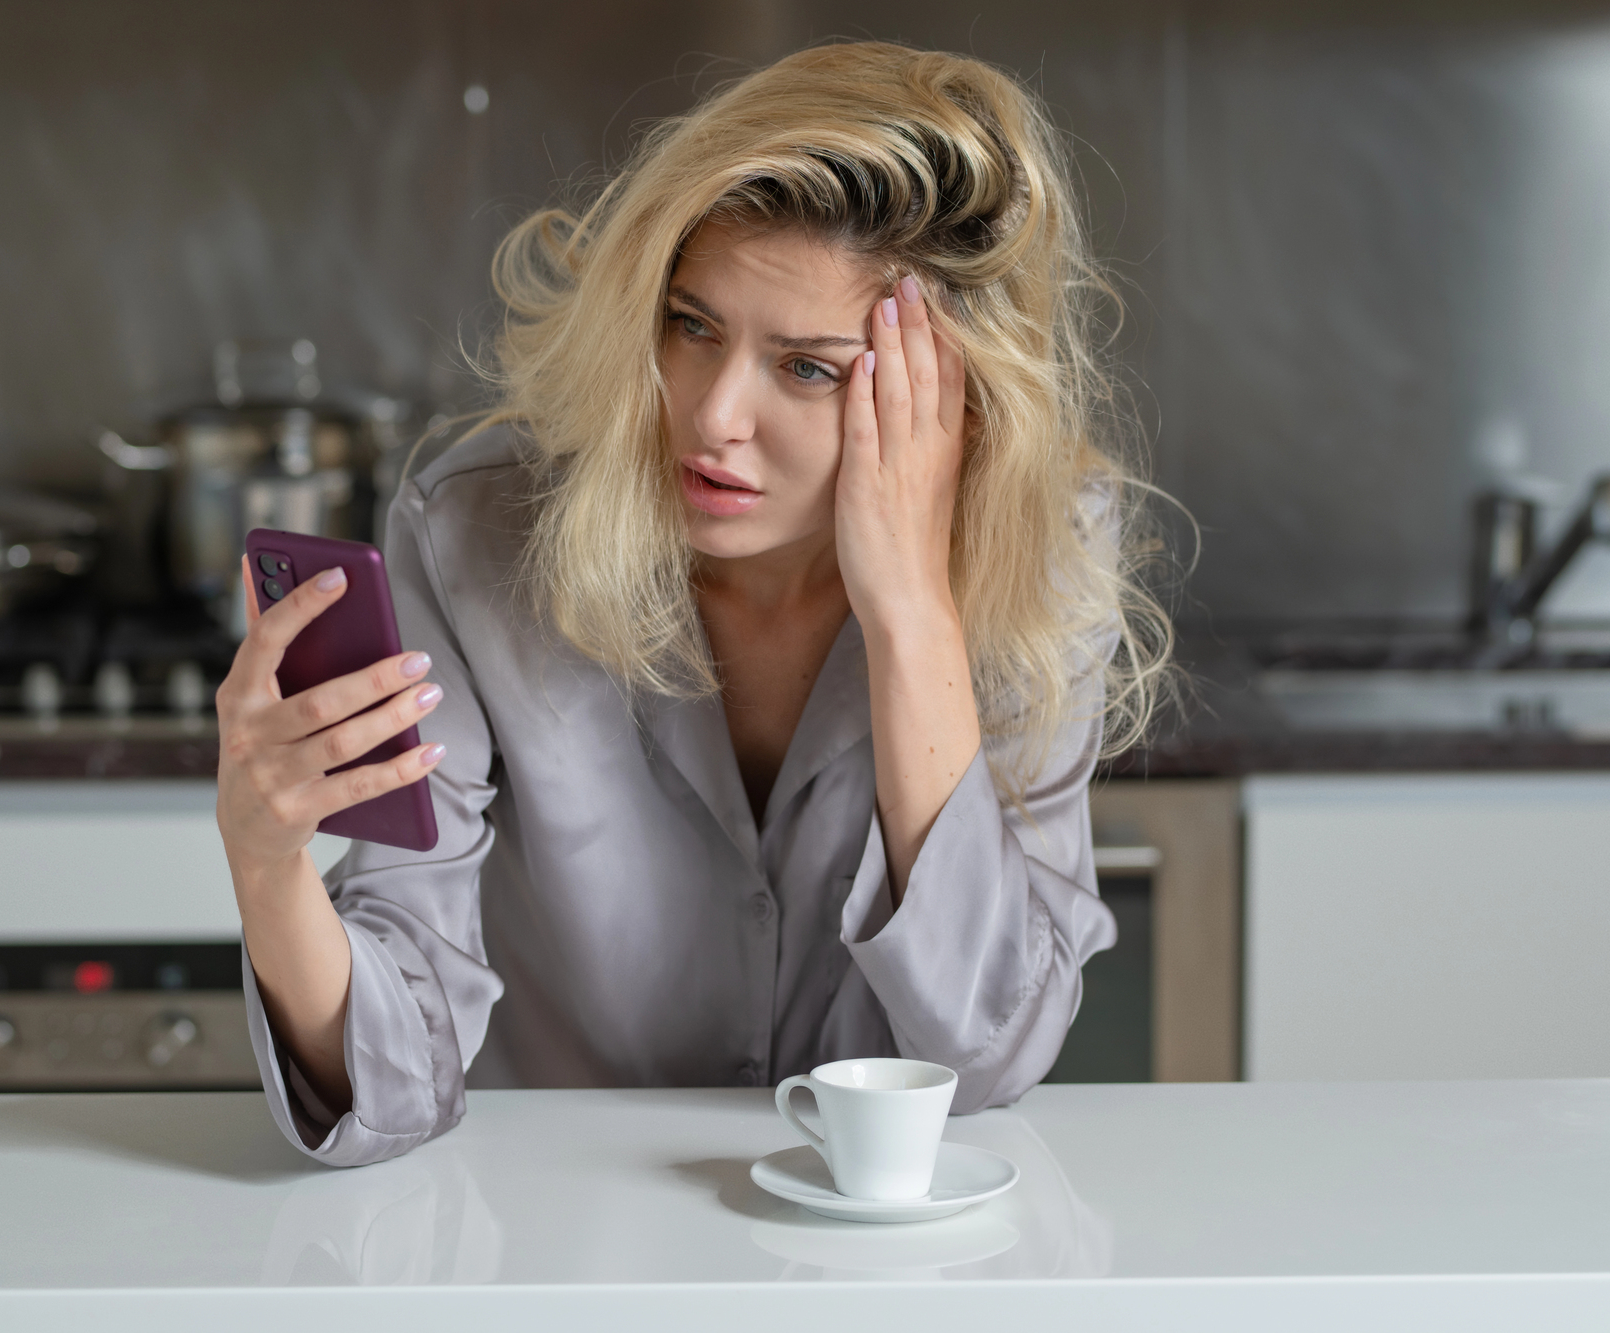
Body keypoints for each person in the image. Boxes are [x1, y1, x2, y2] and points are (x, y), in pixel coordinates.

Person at [214, 41, 1171, 1167]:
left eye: (808, 368)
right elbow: (393, 1079)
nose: (714, 414)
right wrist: (267, 862)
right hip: (560, 1240)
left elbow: (988, 1053)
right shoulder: (474, 533)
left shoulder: (1037, 548)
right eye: (691, 325)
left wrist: (912, 610)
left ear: (950, 396)